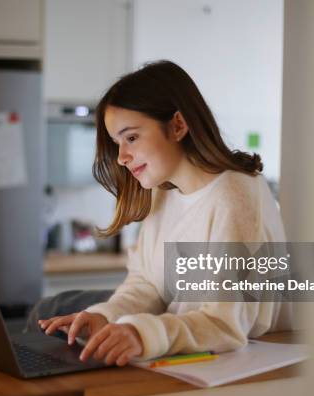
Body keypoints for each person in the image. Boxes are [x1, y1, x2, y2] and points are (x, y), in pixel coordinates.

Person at [32, 60, 292, 367]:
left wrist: (140, 334)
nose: (122, 157)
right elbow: (148, 284)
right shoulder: (163, 191)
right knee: (53, 311)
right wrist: (106, 317)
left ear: (178, 125)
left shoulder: (235, 195)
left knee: (51, 307)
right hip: (183, 331)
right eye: (117, 143)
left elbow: (225, 324)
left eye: (131, 138)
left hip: (244, 354)